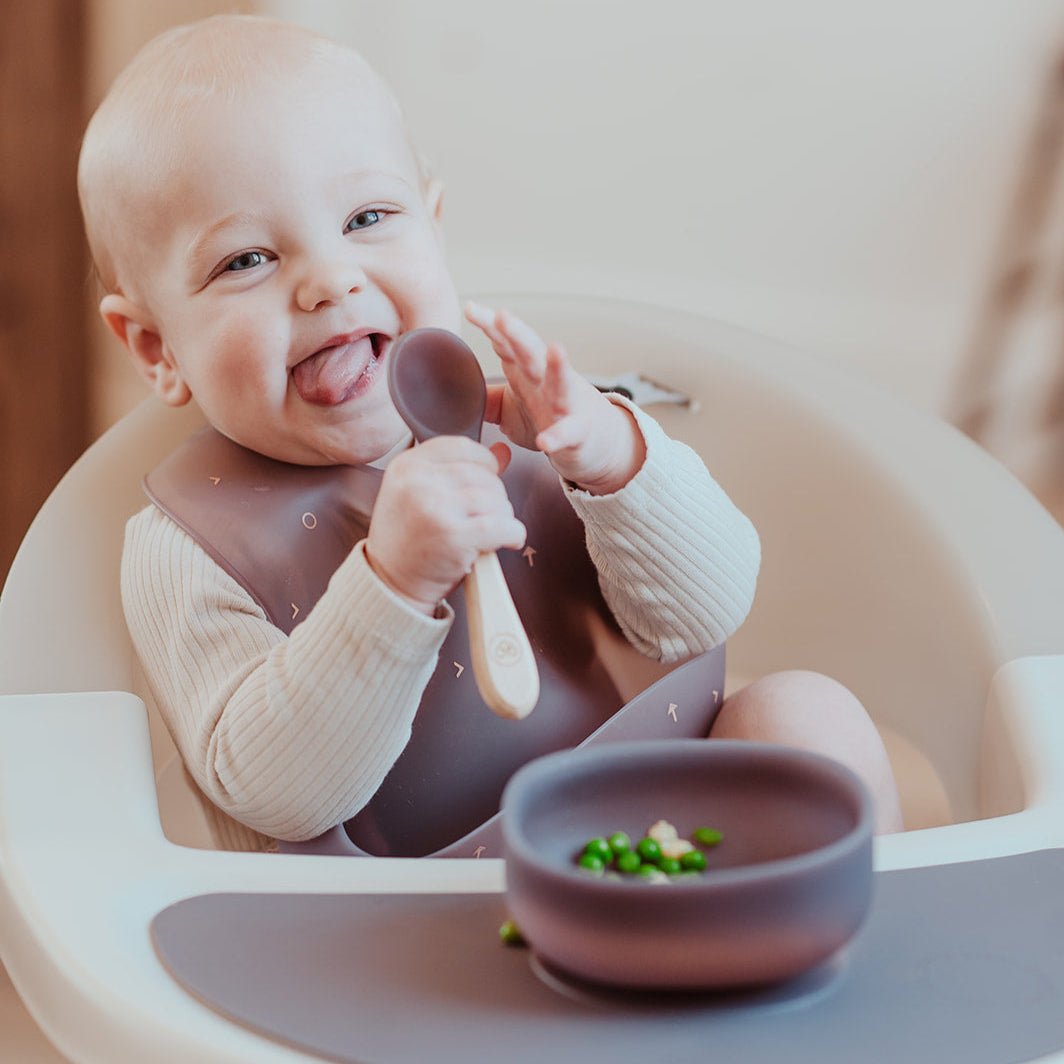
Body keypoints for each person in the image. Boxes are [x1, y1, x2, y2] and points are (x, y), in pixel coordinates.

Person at [78, 14, 902, 852]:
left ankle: (843, 950)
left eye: (367, 217)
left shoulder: (534, 422)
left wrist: (615, 462)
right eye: (246, 260)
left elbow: (703, 615)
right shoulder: (186, 543)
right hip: (418, 931)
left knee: (804, 714)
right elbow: (273, 793)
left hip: (657, 825)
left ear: (433, 225)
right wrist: (393, 584)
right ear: (154, 348)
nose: (328, 280)